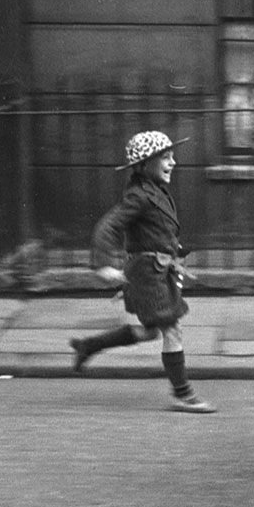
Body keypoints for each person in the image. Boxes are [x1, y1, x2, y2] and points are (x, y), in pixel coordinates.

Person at [69, 130, 215, 414]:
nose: (172, 162)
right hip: (147, 274)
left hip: (157, 271)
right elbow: (107, 226)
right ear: (144, 164)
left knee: (150, 332)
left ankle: (88, 346)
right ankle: (183, 394)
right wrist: (103, 265)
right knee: (172, 328)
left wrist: (172, 246)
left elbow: (154, 229)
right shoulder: (139, 196)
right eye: (165, 157)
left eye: (172, 156)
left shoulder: (154, 190)